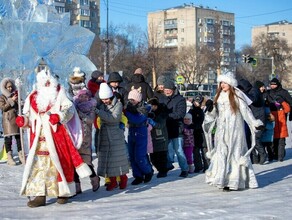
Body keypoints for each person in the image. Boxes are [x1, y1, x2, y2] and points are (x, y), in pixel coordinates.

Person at [15, 70, 92, 207]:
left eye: (49, 81)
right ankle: (40, 195)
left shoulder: (60, 94)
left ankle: (62, 192)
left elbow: (69, 110)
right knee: (38, 166)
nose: (47, 84)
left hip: (57, 136)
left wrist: (59, 116)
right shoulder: (33, 97)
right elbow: (30, 117)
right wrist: (24, 120)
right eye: (44, 82)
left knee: (59, 163)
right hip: (38, 138)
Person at [203, 71, 263, 191]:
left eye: (225, 82)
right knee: (222, 153)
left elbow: (246, 112)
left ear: (230, 83)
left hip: (235, 131)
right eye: (221, 83)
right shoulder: (218, 96)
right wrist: (210, 109)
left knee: (234, 154)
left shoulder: (237, 95)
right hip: (222, 131)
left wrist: (254, 123)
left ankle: (233, 180)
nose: (223, 85)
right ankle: (222, 179)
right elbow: (213, 115)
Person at [95, 83, 129, 191]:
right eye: (103, 99)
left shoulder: (118, 105)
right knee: (108, 160)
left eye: (106, 99)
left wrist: (99, 113)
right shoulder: (101, 106)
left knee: (118, 159)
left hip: (115, 135)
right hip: (104, 134)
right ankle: (112, 181)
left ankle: (123, 178)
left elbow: (114, 118)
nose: (105, 101)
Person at [73, 89, 100, 193]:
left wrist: (80, 114)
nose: (83, 98)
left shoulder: (91, 108)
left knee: (86, 161)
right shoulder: (74, 107)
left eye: (85, 96)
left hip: (85, 138)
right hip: (75, 137)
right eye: (81, 96)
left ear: (89, 98)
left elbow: (90, 120)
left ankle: (94, 178)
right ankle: (76, 185)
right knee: (74, 162)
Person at [125, 89, 154, 185]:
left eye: (133, 99)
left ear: (138, 100)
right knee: (132, 156)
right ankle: (138, 176)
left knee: (139, 156)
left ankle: (148, 171)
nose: (131, 101)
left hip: (141, 133)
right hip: (131, 133)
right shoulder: (128, 108)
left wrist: (126, 113)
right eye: (130, 99)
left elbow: (137, 119)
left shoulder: (144, 108)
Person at [162, 79, 189, 178]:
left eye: (169, 89)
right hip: (166, 129)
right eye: (165, 89)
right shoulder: (162, 99)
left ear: (173, 89)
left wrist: (168, 116)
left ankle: (185, 169)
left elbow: (181, 113)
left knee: (178, 150)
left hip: (177, 129)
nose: (167, 91)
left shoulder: (180, 99)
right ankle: (168, 166)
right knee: (168, 150)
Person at [237, 78, 266, 164]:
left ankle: (263, 155)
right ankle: (254, 158)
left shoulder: (254, 91)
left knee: (256, 138)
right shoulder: (252, 91)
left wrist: (243, 93)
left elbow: (253, 100)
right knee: (250, 139)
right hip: (253, 117)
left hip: (258, 117)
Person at [265, 78, 292, 162]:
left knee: (281, 137)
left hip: (282, 115)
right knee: (272, 137)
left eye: (274, 84)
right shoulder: (268, 92)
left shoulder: (284, 92)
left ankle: (280, 155)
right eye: (271, 84)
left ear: (278, 84)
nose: (272, 86)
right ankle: (273, 154)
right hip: (271, 116)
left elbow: (290, 103)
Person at [0, 78, 24, 165]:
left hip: (16, 119)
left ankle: (21, 155)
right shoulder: (2, 97)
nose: (10, 88)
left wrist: (20, 102)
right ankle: (9, 157)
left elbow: (19, 108)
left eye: (11, 87)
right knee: (8, 138)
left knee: (18, 138)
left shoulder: (15, 95)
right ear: (5, 87)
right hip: (8, 120)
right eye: (8, 87)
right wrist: (11, 100)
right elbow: (3, 108)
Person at [147, 98, 169, 178]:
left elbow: (160, 125)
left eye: (151, 106)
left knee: (161, 157)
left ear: (155, 106)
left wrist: (153, 123)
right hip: (153, 139)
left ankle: (163, 171)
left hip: (161, 138)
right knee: (153, 158)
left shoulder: (162, 114)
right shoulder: (150, 114)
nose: (150, 108)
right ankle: (161, 169)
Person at [188, 94, 209, 172]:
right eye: (196, 101)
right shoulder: (191, 110)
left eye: (198, 102)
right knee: (196, 151)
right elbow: (188, 121)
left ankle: (207, 166)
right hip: (194, 133)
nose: (197, 103)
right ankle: (198, 166)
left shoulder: (204, 110)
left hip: (203, 133)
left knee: (204, 150)